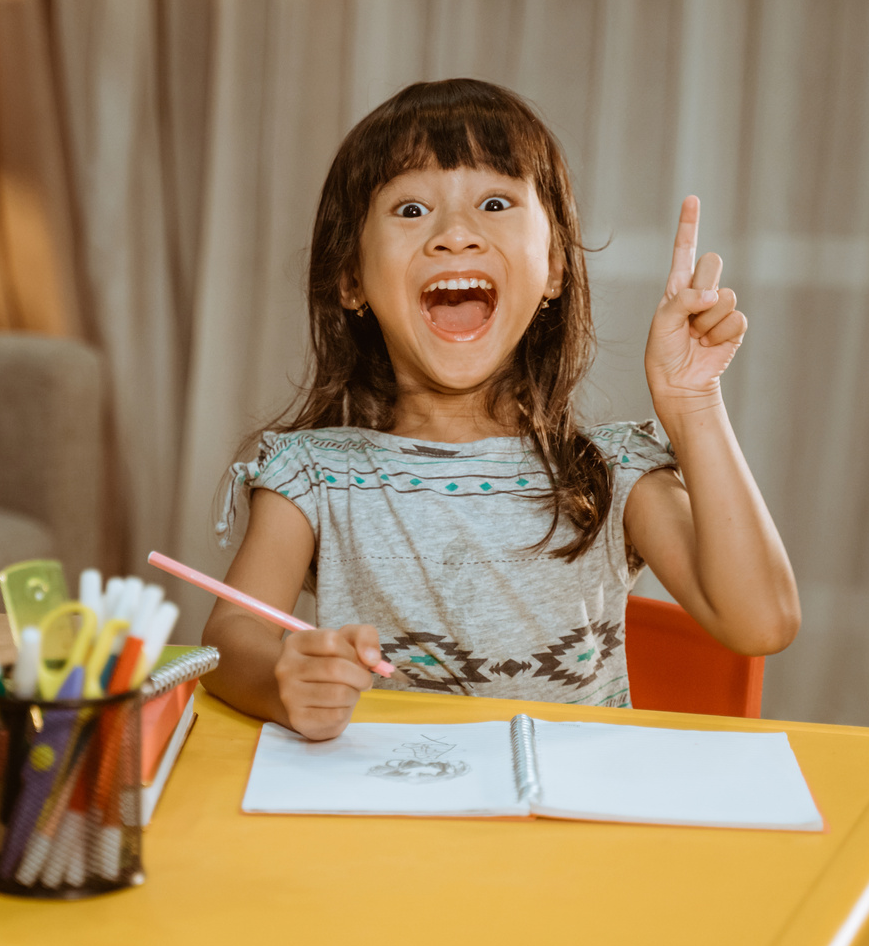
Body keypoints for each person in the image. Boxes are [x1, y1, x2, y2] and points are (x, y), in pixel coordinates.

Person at [201, 78, 799, 741]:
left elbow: (763, 622)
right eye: (411, 209)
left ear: (554, 268)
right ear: (351, 278)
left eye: (494, 203)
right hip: (391, 804)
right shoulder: (311, 476)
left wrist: (692, 401)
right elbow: (231, 637)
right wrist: (282, 676)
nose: (456, 235)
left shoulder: (614, 471)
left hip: (571, 808)